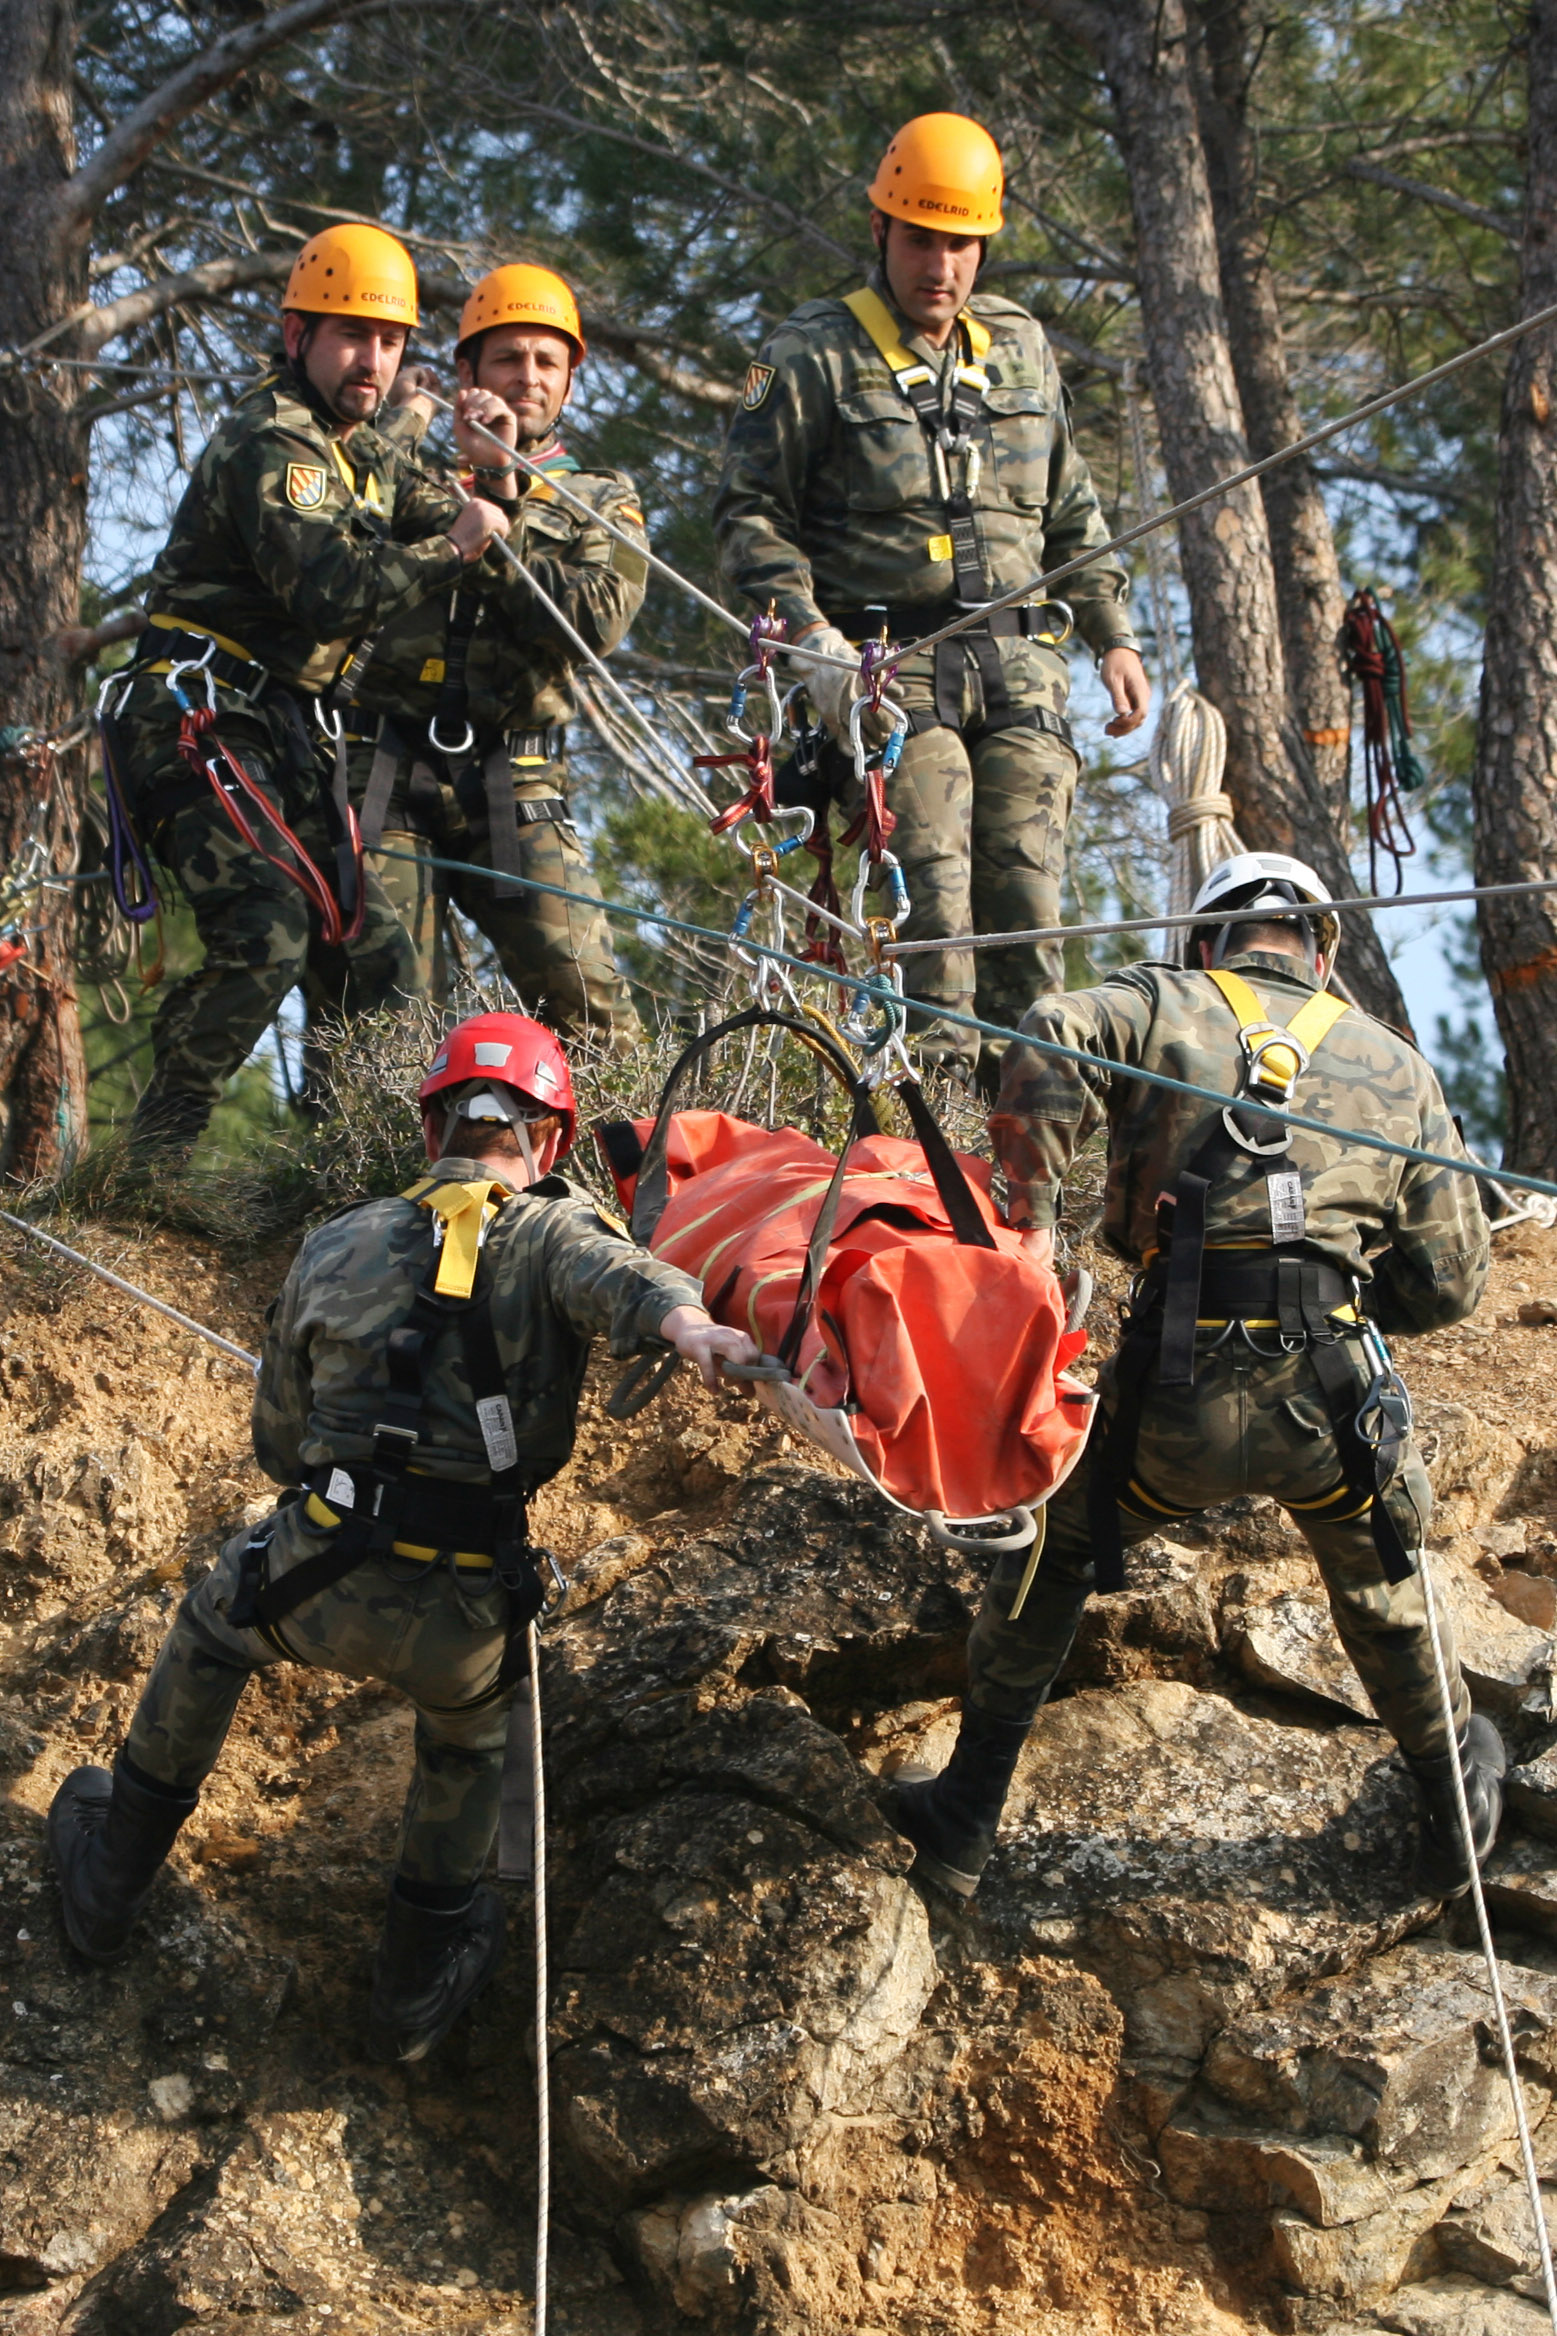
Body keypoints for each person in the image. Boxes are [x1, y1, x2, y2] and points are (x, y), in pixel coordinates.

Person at [47, 1011, 757, 2062]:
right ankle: (411, 2000)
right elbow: (629, 1281)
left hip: (312, 1578)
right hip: (464, 1612)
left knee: (209, 1628)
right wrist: (693, 1327)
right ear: (552, 1140)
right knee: (469, 1742)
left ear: (433, 1129)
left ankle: (108, 1888)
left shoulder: (337, 1239)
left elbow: (279, 1446)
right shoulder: (553, 1233)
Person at [889, 854, 1500, 1903]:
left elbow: (1049, 1024)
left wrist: (1030, 1231)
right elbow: (1451, 1282)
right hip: (1330, 1400)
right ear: (1320, 952)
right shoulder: (1397, 1064)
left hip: (1171, 1393)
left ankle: (965, 1816)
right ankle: (1452, 1809)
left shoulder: (1159, 1000)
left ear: (1203, 941)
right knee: (1386, 1579)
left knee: (1053, 1549)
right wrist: (1346, 1304)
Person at [713, 111, 1150, 1084]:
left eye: (960, 244)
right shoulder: (812, 352)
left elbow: (1070, 508)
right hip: (889, 667)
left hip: (1021, 666)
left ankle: (1033, 1122)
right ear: (880, 230)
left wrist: (1113, 634)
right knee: (935, 906)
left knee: (1029, 908)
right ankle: (939, 1119)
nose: (940, 266)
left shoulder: (1021, 346)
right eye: (920, 239)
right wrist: (810, 640)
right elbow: (750, 513)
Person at [105, 225, 514, 1163]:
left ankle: (354, 1168)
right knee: (267, 929)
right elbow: (330, 592)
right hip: (195, 714)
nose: (373, 361)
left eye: (390, 342)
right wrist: (453, 545)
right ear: (297, 337)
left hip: (277, 728)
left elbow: (452, 513)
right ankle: (149, 1164)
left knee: (374, 952)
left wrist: (487, 472)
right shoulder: (273, 436)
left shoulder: (357, 444)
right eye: (351, 337)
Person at [314, 263, 645, 1052]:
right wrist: (405, 422)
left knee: (589, 1004)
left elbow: (592, 620)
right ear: (468, 372)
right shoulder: (403, 475)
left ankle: (636, 1133)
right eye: (507, 359)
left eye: (546, 362)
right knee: (382, 1023)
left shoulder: (600, 498)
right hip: (382, 771)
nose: (527, 378)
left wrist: (499, 494)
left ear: (569, 380)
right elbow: (334, 540)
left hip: (515, 777)